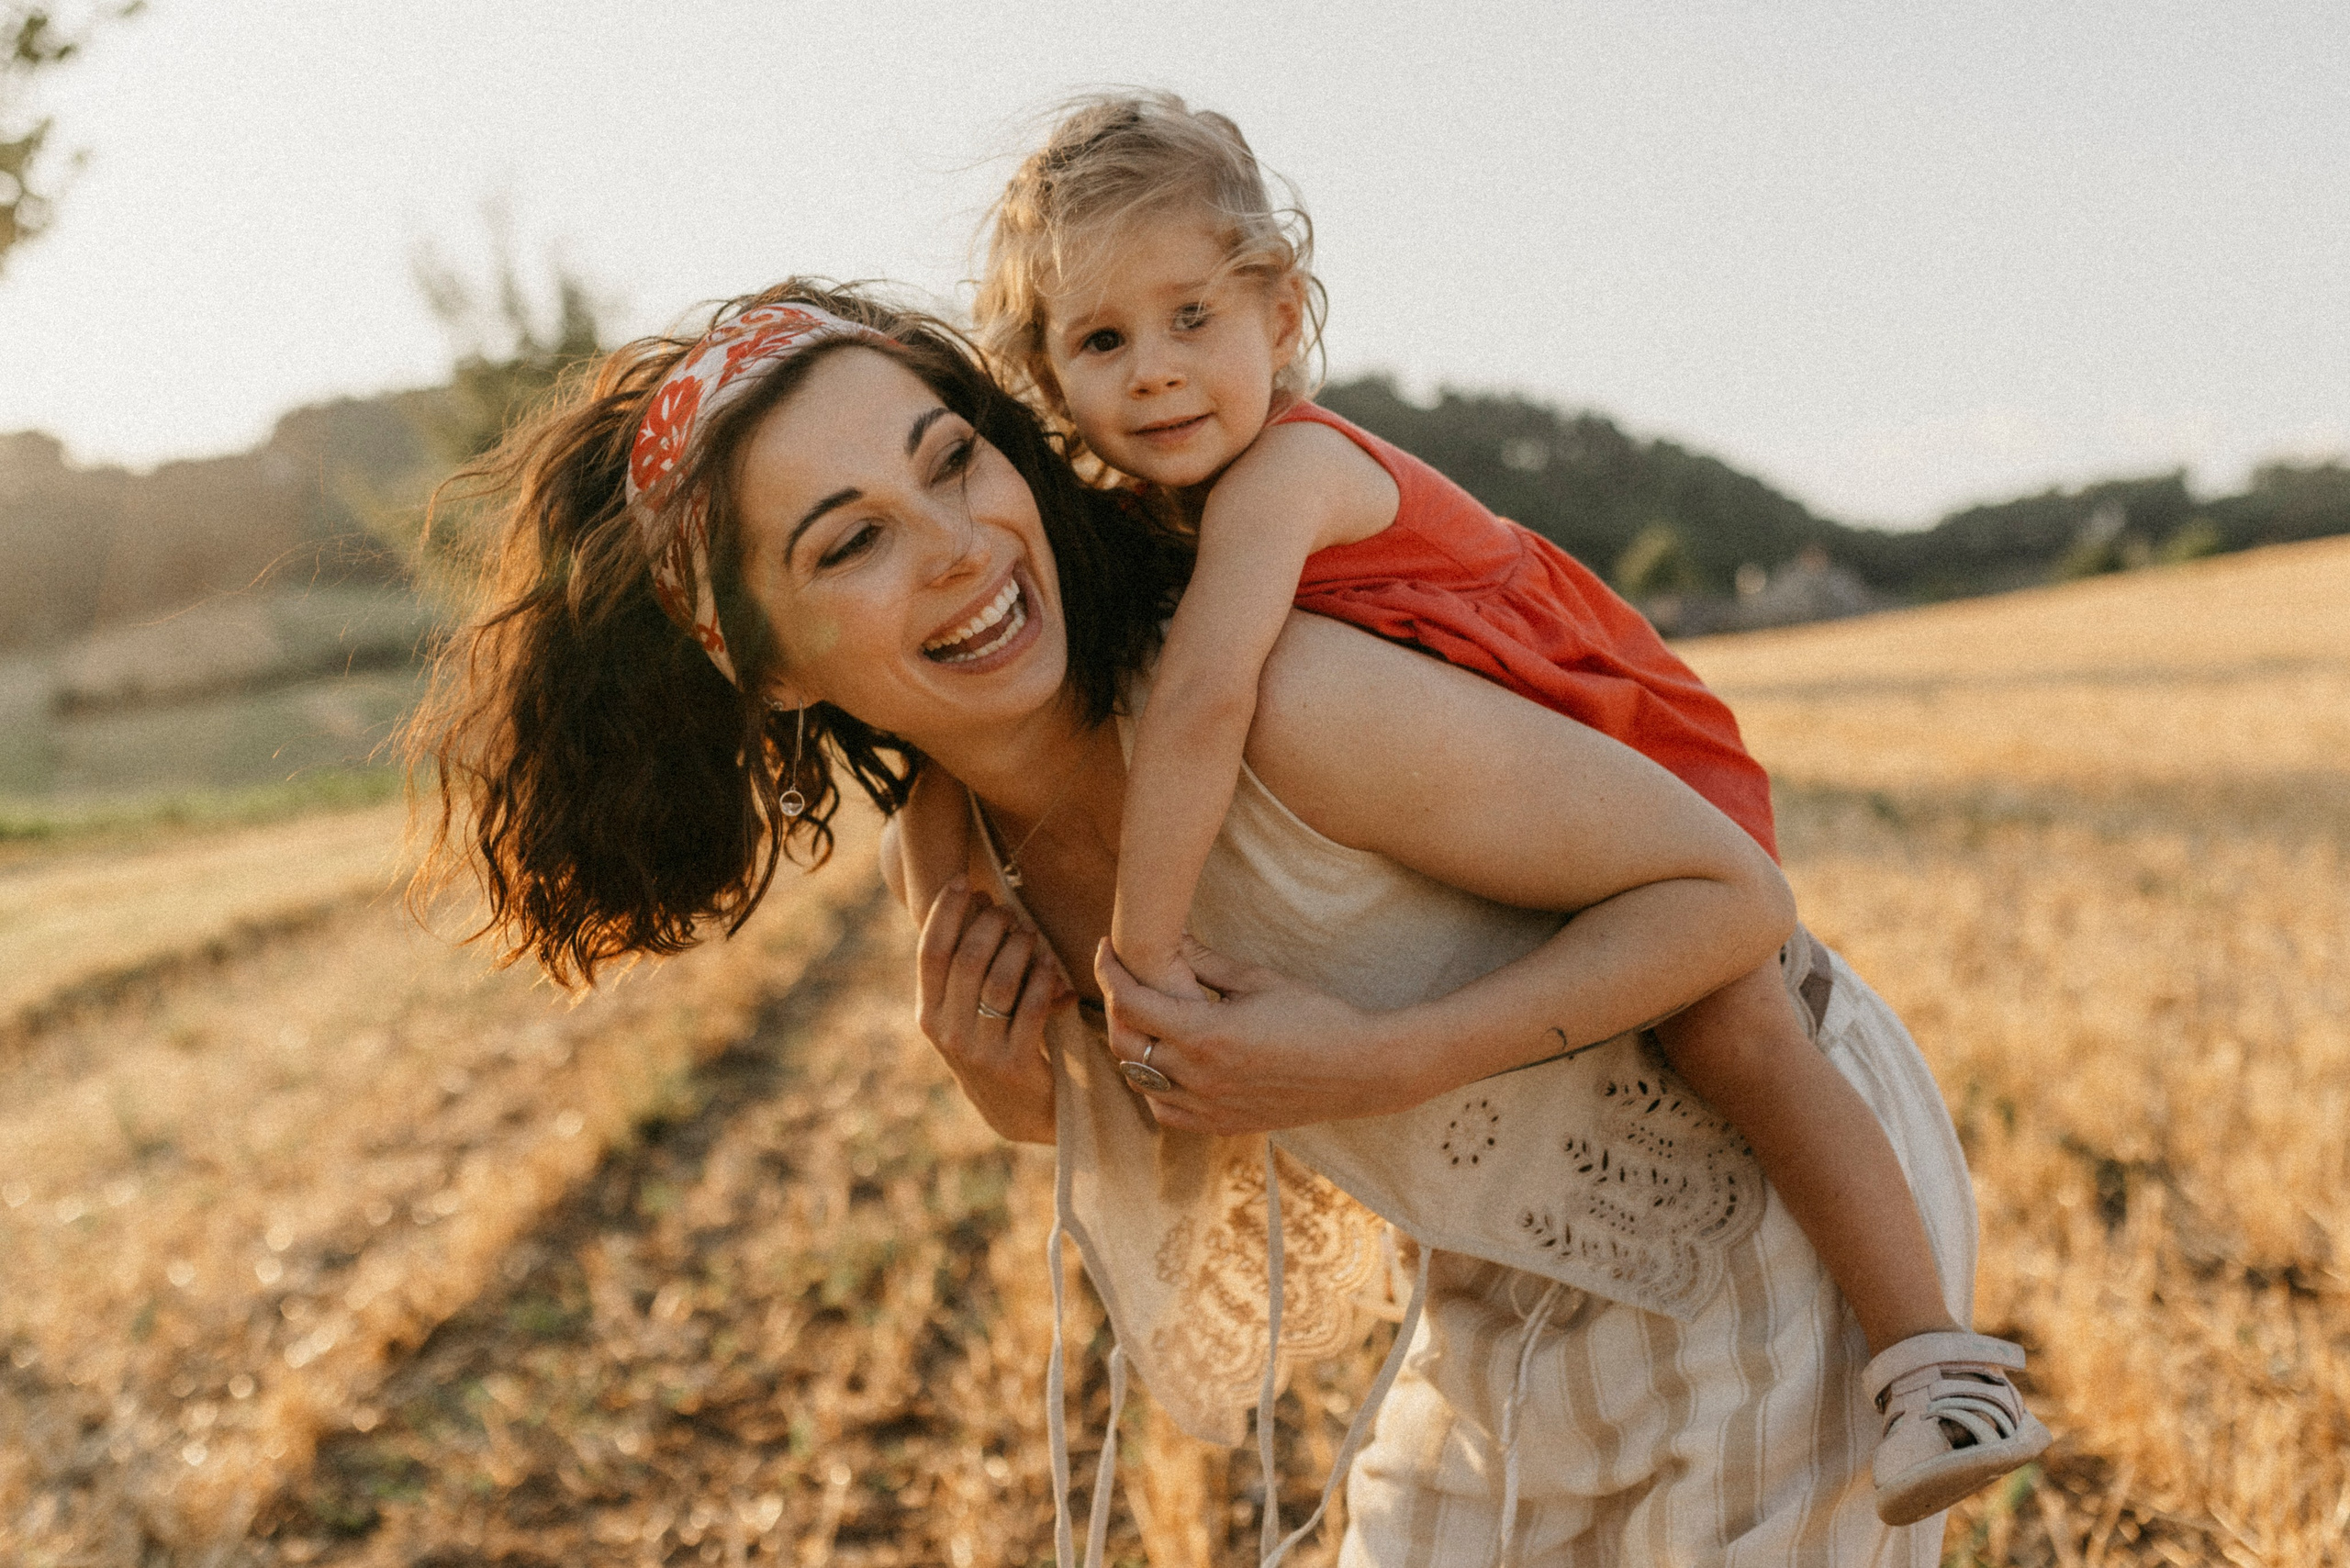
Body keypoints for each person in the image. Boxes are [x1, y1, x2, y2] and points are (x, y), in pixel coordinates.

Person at [408, 280, 2031, 1565]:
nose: (961, 547)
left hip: (1776, 1212)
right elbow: (1187, 1104)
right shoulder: (952, 849)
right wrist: (1021, 1098)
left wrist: (1376, 1060)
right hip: (1506, 1282)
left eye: (952, 459)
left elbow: (1732, 901)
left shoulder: (1276, 706)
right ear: (761, 663)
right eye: (851, 543)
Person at [965, 91, 2045, 1529]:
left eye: (1189, 319)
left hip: (1626, 746)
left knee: (1728, 1016)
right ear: (1049, 374)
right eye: (1102, 342)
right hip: (1523, 793)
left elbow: (1206, 704)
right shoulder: (1170, 511)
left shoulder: (1286, 471)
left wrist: (1142, 956)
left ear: (1280, 317)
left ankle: (1932, 1360)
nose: (1154, 374)